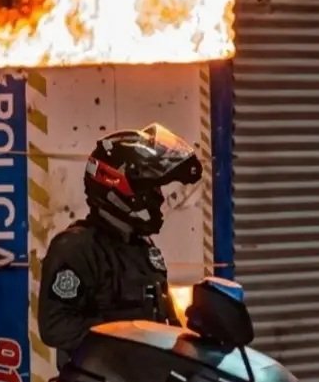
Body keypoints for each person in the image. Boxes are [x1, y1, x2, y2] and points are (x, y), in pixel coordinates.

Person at [37, 122, 203, 359]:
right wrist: (127, 333)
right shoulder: (76, 248)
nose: (158, 199)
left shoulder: (142, 248)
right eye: (151, 190)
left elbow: (163, 319)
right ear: (120, 189)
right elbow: (55, 327)